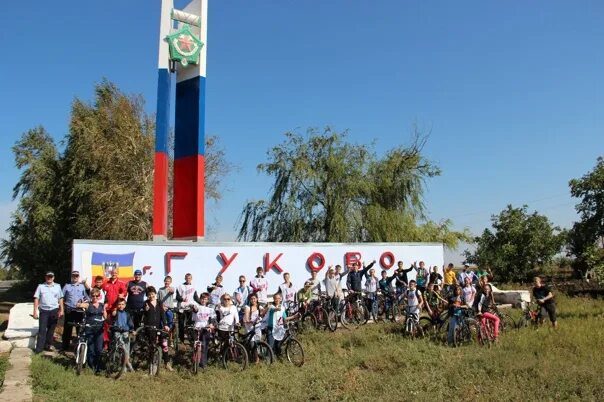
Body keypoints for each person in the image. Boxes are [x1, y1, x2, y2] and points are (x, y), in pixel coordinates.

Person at [33, 271, 64, 354]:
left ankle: (47, 345)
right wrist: (34, 311)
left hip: (54, 310)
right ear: (45, 277)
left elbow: (60, 298)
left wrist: (62, 310)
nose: (49, 278)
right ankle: (39, 349)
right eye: (48, 276)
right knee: (42, 330)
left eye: (51, 276)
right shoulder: (40, 286)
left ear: (53, 277)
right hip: (44, 311)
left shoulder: (58, 286)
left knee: (51, 330)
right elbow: (36, 298)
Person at [143, 286, 173, 371]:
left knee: (164, 345)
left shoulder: (159, 302)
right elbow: (144, 315)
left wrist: (165, 324)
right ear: (147, 295)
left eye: (152, 294)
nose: (151, 296)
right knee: (152, 347)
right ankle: (152, 365)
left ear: (155, 294)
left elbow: (163, 315)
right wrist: (146, 310)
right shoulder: (145, 303)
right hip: (150, 327)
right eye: (149, 294)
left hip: (159, 327)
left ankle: (167, 363)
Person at [77, 288, 106, 374]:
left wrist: (105, 314)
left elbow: (105, 316)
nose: (95, 297)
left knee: (99, 349)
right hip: (89, 327)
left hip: (99, 328)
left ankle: (98, 367)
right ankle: (91, 366)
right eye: (93, 296)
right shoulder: (88, 304)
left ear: (99, 296)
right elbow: (78, 305)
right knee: (91, 349)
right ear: (90, 296)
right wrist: (80, 303)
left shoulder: (102, 305)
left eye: (97, 296)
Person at [61, 270, 89, 351]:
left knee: (79, 329)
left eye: (77, 276)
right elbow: (61, 297)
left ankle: (79, 348)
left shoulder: (82, 286)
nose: (75, 277)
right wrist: (62, 308)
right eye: (74, 276)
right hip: (69, 310)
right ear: (71, 277)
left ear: (78, 277)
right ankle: (65, 347)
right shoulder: (67, 286)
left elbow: (86, 298)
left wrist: (84, 304)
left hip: (79, 311)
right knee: (67, 329)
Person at [102, 267, 127, 346]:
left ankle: (115, 343)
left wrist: (122, 295)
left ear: (117, 274)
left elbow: (124, 293)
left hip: (116, 308)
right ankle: (106, 344)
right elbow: (101, 294)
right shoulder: (106, 283)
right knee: (105, 326)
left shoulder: (121, 283)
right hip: (107, 308)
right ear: (111, 273)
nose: (114, 274)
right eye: (113, 273)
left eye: (116, 273)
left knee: (115, 326)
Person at [191, 293, 216, 369]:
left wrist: (211, 324)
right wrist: (194, 310)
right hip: (197, 327)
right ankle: (195, 362)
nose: (203, 300)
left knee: (205, 346)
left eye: (205, 299)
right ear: (200, 299)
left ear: (207, 300)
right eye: (202, 299)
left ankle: (203, 363)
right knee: (196, 345)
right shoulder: (197, 307)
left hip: (206, 328)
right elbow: (193, 317)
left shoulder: (210, 309)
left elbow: (212, 317)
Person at [111, 297, 134, 373]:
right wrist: (113, 315)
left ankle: (126, 364)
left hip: (125, 333)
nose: (121, 306)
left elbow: (130, 323)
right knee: (121, 349)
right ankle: (125, 366)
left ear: (125, 305)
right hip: (117, 332)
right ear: (117, 305)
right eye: (119, 304)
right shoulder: (115, 312)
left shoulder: (127, 314)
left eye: (122, 304)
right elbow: (112, 319)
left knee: (126, 350)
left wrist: (131, 330)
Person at [176, 273, 200, 343]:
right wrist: (182, 299)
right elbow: (177, 297)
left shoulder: (193, 287)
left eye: (189, 278)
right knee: (181, 324)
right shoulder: (180, 286)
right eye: (187, 278)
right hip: (181, 308)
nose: (188, 279)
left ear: (191, 279)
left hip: (190, 308)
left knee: (190, 324)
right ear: (185, 278)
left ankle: (191, 339)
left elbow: (195, 297)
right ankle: (181, 339)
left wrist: (202, 303)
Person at [243, 293, 263, 363]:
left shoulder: (259, 307)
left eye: (254, 298)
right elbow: (246, 318)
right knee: (251, 344)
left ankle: (257, 359)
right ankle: (249, 356)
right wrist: (249, 321)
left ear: (257, 299)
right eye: (251, 299)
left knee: (257, 342)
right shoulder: (247, 307)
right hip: (249, 327)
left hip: (257, 327)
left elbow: (263, 314)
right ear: (249, 300)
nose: (253, 300)